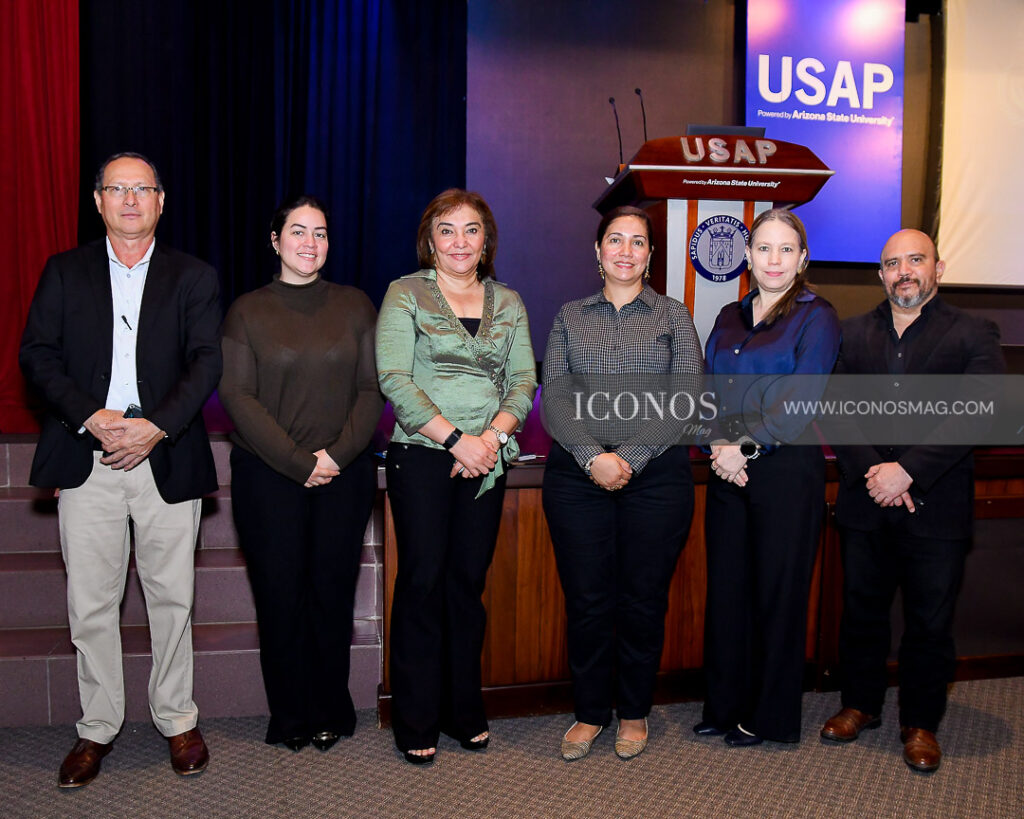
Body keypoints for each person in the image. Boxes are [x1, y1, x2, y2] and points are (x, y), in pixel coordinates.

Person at [19, 152, 221, 787]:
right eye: (117, 189)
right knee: (91, 604)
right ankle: (96, 726)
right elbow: (38, 355)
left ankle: (177, 717)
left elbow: (207, 362)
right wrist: (93, 417)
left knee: (172, 598)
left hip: (166, 451)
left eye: (143, 189)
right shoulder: (63, 272)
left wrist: (155, 425)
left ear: (162, 201)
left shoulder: (193, 276)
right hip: (89, 455)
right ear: (97, 201)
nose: (130, 200)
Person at [820, 229, 1004, 772]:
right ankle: (860, 705)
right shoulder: (849, 335)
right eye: (893, 263)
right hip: (864, 502)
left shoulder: (973, 332)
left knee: (929, 621)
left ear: (938, 269)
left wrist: (907, 472)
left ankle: (920, 723)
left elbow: (982, 407)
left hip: (936, 506)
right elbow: (832, 405)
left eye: (915, 260)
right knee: (862, 613)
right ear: (880, 275)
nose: (904, 271)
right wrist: (876, 472)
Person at [376, 188, 537, 764]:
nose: (460, 241)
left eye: (472, 230)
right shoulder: (405, 293)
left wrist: (490, 438)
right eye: (448, 230)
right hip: (423, 454)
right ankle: (416, 715)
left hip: (487, 460)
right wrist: (456, 440)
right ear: (431, 238)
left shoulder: (510, 301)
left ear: (486, 240)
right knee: (422, 583)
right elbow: (394, 377)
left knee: (467, 586)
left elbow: (523, 380)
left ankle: (462, 708)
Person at [218, 196, 383, 752]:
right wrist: (298, 462)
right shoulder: (247, 310)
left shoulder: (357, 305)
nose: (309, 243)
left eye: (320, 232)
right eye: (297, 231)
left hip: (345, 471)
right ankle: (288, 713)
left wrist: (335, 456)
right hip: (268, 476)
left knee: (332, 595)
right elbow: (236, 395)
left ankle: (329, 708)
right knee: (280, 595)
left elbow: (371, 389)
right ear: (275, 240)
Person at [542, 205, 703, 761]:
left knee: (641, 600)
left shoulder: (673, 316)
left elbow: (686, 395)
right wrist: (592, 457)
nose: (626, 251)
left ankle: (633, 712)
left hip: (656, 478)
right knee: (587, 601)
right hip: (577, 477)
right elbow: (555, 395)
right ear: (598, 250)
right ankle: (590, 713)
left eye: (638, 242)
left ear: (651, 255)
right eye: (616, 240)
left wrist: (629, 457)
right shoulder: (569, 316)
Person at [695, 208, 840, 746]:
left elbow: (799, 402)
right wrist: (719, 444)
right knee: (728, 592)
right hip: (726, 471)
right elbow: (706, 391)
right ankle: (724, 705)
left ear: (802, 259)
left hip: (783, 472)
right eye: (763, 248)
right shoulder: (729, 317)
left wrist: (741, 448)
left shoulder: (817, 316)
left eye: (785, 250)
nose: (773, 260)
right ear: (747, 256)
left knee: (777, 598)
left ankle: (769, 716)